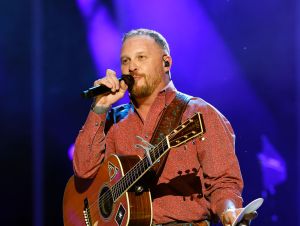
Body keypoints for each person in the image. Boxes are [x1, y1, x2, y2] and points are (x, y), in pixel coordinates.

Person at [73, 28, 256, 226]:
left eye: (141, 57)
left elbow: (223, 182)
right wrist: (99, 108)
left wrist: (229, 211)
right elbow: (83, 172)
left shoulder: (199, 114)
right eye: (125, 61)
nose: (131, 67)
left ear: (166, 62)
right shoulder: (112, 120)